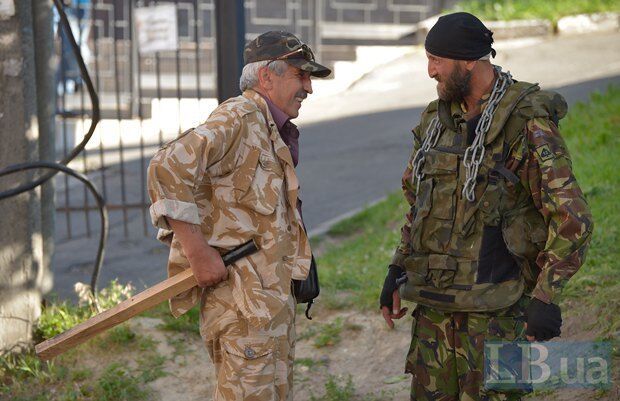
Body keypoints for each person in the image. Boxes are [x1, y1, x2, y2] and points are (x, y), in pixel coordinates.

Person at [379, 12, 593, 401]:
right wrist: (397, 267)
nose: (430, 71)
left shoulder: (525, 121)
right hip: (434, 311)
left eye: (437, 60)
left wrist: (546, 296)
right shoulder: (434, 121)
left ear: (468, 61)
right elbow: (419, 204)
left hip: (497, 313)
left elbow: (571, 218)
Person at [147, 31, 330, 401]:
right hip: (242, 310)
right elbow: (167, 167)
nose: (308, 87)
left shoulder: (266, 125)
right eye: (301, 75)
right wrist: (199, 254)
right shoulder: (239, 116)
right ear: (267, 77)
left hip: (269, 305)